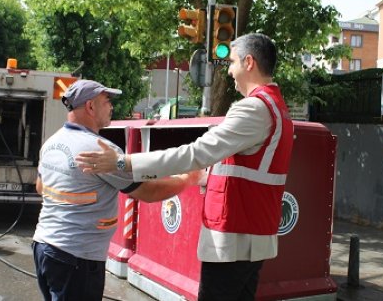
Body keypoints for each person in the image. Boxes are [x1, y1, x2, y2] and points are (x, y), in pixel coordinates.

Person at [76, 33, 294, 301]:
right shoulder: (276, 107)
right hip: (252, 237)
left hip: (233, 238)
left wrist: (124, 161)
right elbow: (252, 165)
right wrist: (208, 177)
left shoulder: (253, 109)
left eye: (233, 62)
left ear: (249, 62)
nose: (229, 71)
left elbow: (195, 153)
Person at [32, 79, 200, 301]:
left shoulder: (52, 142)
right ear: (91, 106)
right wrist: (188, 178)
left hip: (45, 246)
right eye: (107, 101)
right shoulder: (100, 149)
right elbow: (148, 192)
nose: (111, 107)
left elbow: (40, 187)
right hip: (77, 257)